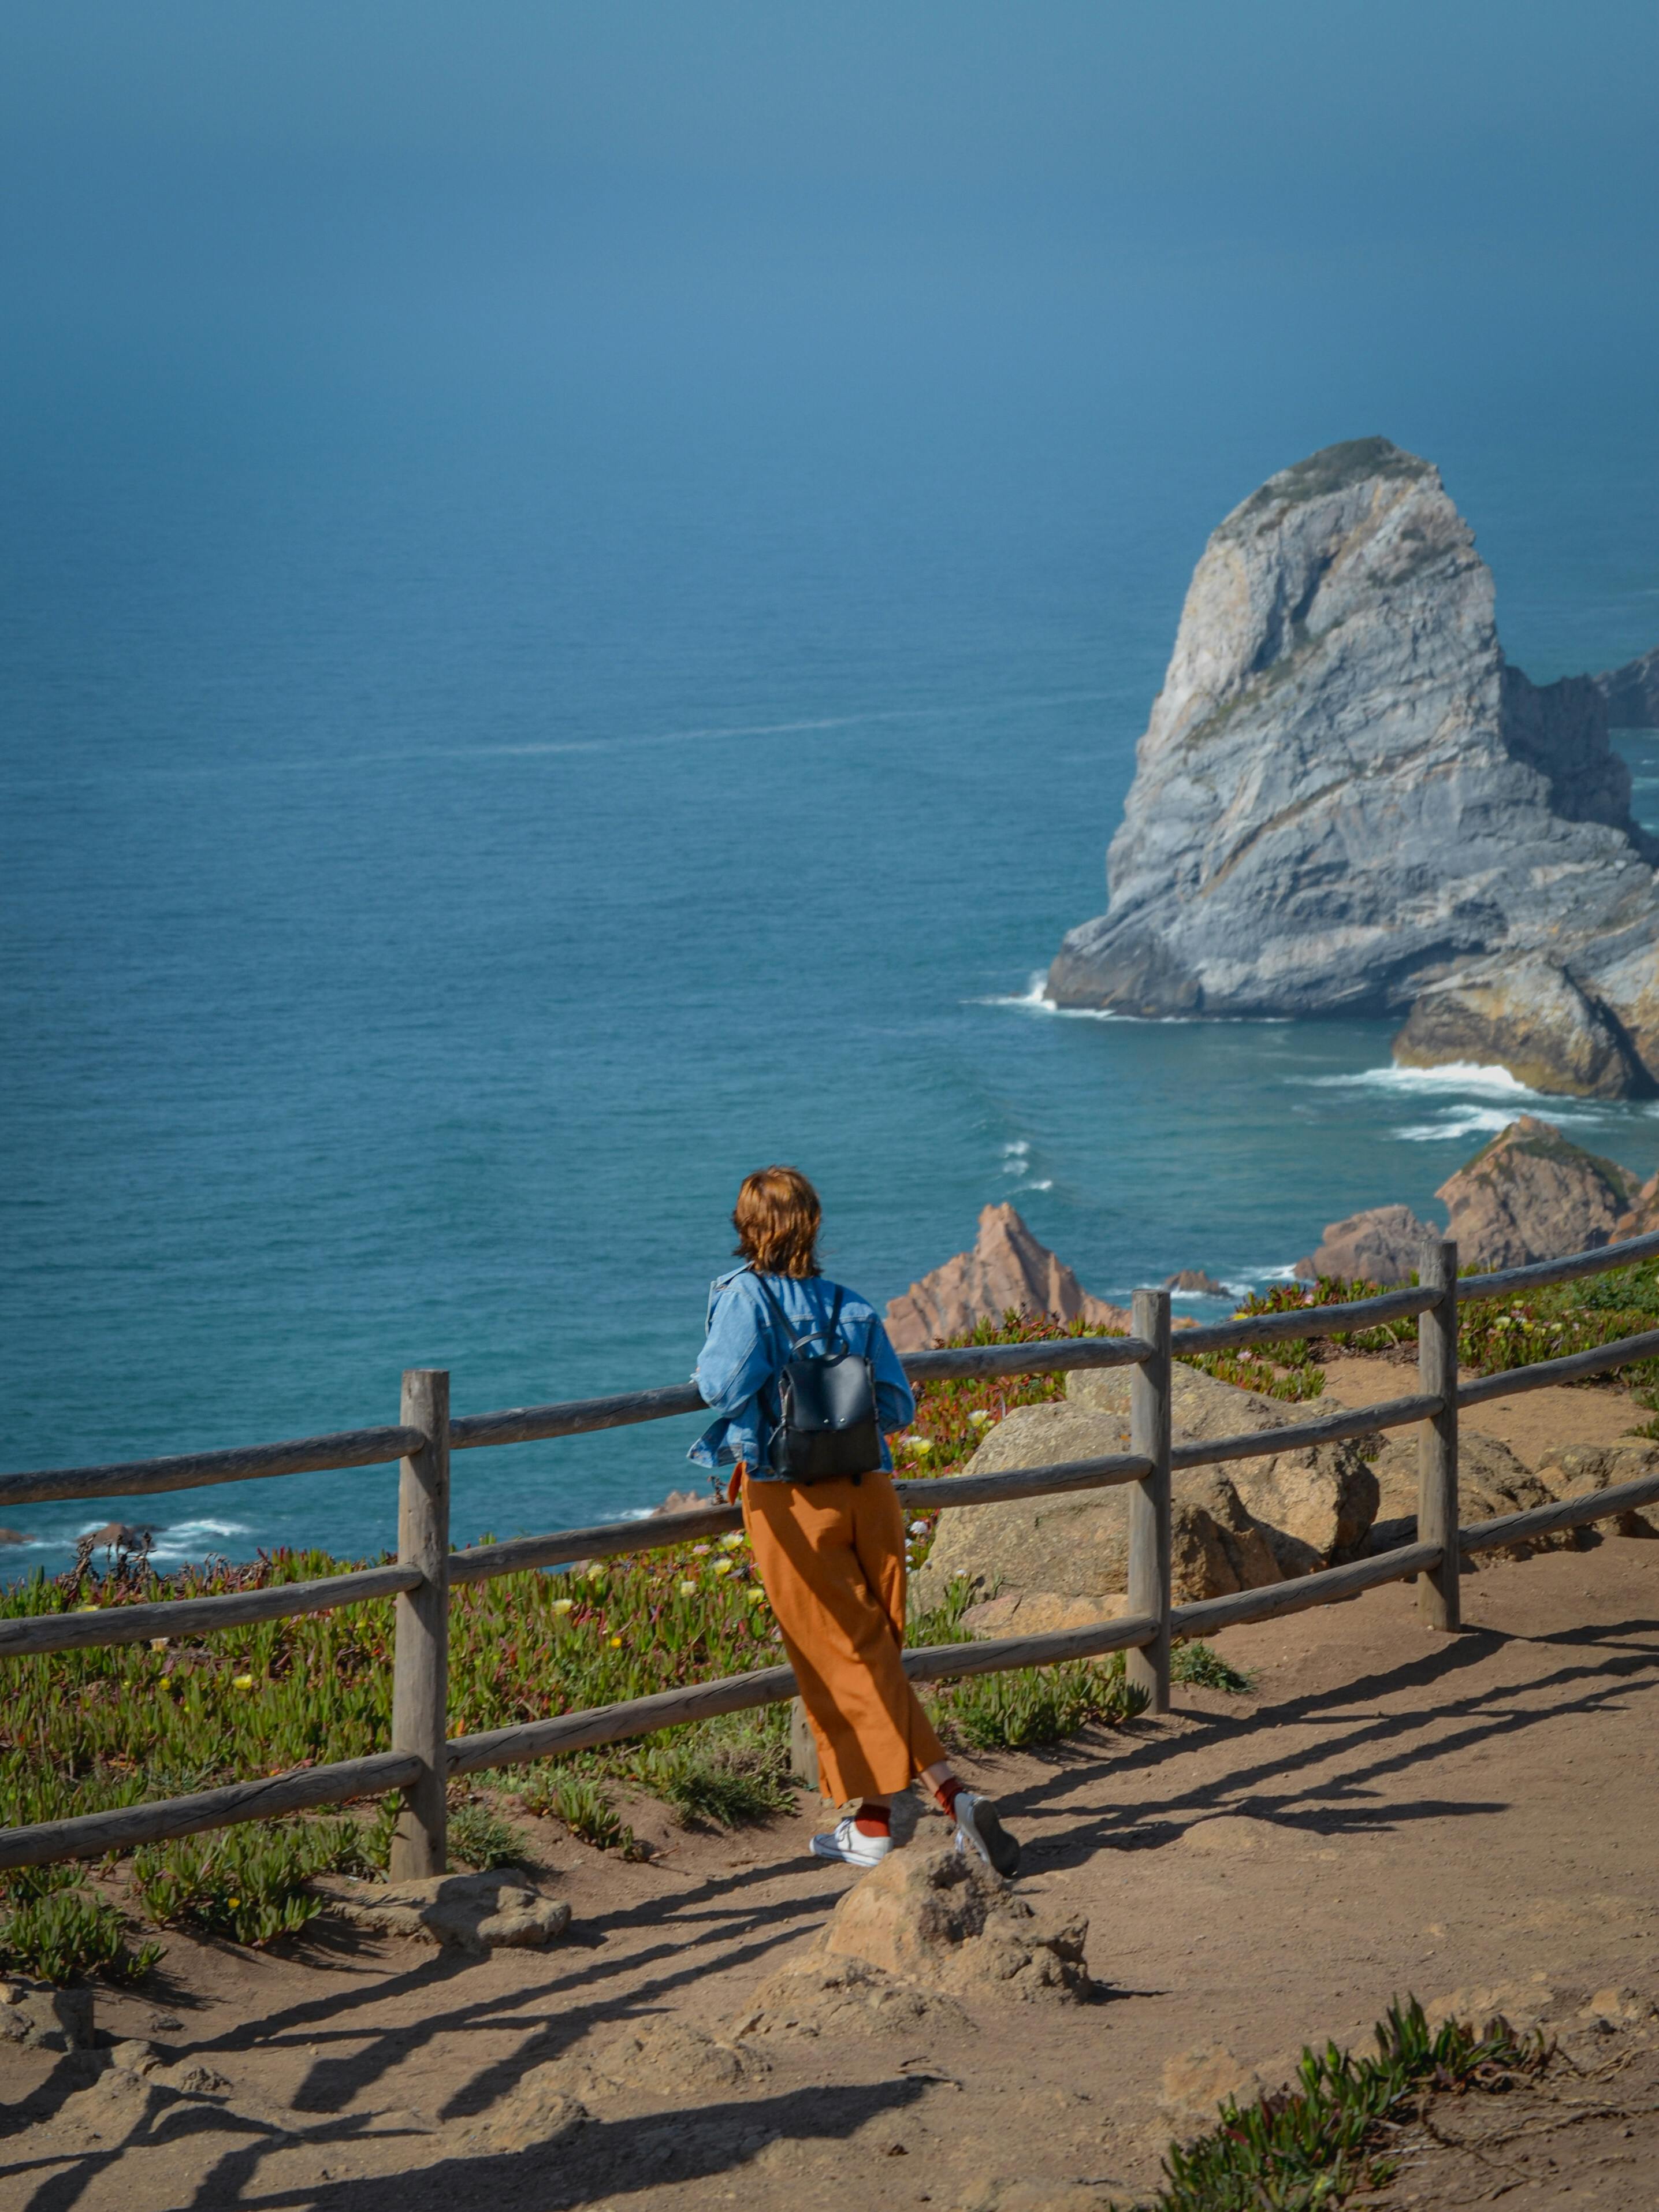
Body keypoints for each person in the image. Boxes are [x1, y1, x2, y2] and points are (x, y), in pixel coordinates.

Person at [689, 1164, 1020, 1875]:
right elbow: (897, 1409)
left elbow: (718, 1385)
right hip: (870, 1494)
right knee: (869, 1653)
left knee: (841, 1659)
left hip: (790, 1501)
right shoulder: (853, 1307)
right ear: (812, 1225)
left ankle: (931, 1804)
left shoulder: (743, 1295)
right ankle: (882, 1817)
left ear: (748, 1227)